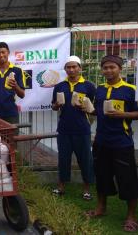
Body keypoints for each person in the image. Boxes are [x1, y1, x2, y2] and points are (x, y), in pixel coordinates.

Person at [86, 55, 138, 232]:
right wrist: (87, 108)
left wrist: (123, 115)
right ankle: (101, 207)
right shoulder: (99, 89)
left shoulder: (130, 89)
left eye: (112, 67)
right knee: (102, 176)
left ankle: (131, 215)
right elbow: (96, 111)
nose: (108, 71)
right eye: (105, 68)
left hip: (121, 141)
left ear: (120, 69)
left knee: (127, 179)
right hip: (101, 140)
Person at [51, 56, 95, 199]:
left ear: (80, 68)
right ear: (65, 69)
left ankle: (87, 189)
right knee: (63, 159)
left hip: (82, 130)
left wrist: (87, 109)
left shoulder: (88, 86)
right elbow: (53, 106)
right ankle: (61, 186)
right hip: (64, 129)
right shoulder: (60, 86)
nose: (71, 69)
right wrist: (56, 105)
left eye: (74, 66)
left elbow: (94, 109)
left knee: (85, 160)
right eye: (68, 67)